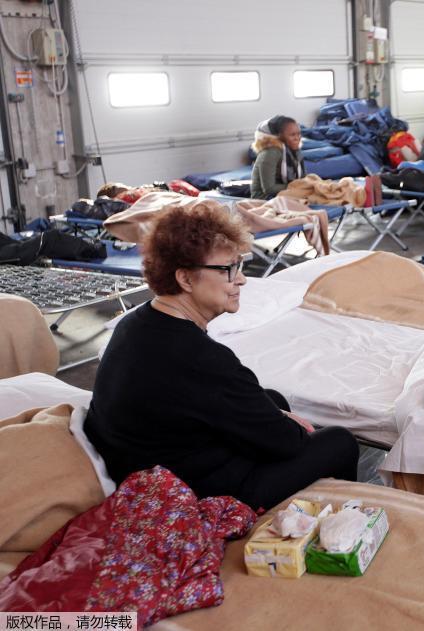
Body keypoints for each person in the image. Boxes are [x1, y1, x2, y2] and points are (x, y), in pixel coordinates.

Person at [84, 202, 359, 512]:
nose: (241, 280)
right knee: (338, 441)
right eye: (228, 269)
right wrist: (293, 426)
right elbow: (289, 443)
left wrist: (279, 416)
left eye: (239, 266)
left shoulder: (134, 325)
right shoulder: (201, 358)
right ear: (186, 279)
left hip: (147, 468)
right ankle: (341, 527)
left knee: (272, 399)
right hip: (190, 495)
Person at [250, 115, 305, 200]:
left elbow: (303, 177)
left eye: (299, 134)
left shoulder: (294, 151)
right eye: (292, 135)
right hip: (264, 198)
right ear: (279, 136)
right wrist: (297, 186)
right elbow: (269, 189)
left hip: (286, 192)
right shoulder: (270, 153)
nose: (297, 138)